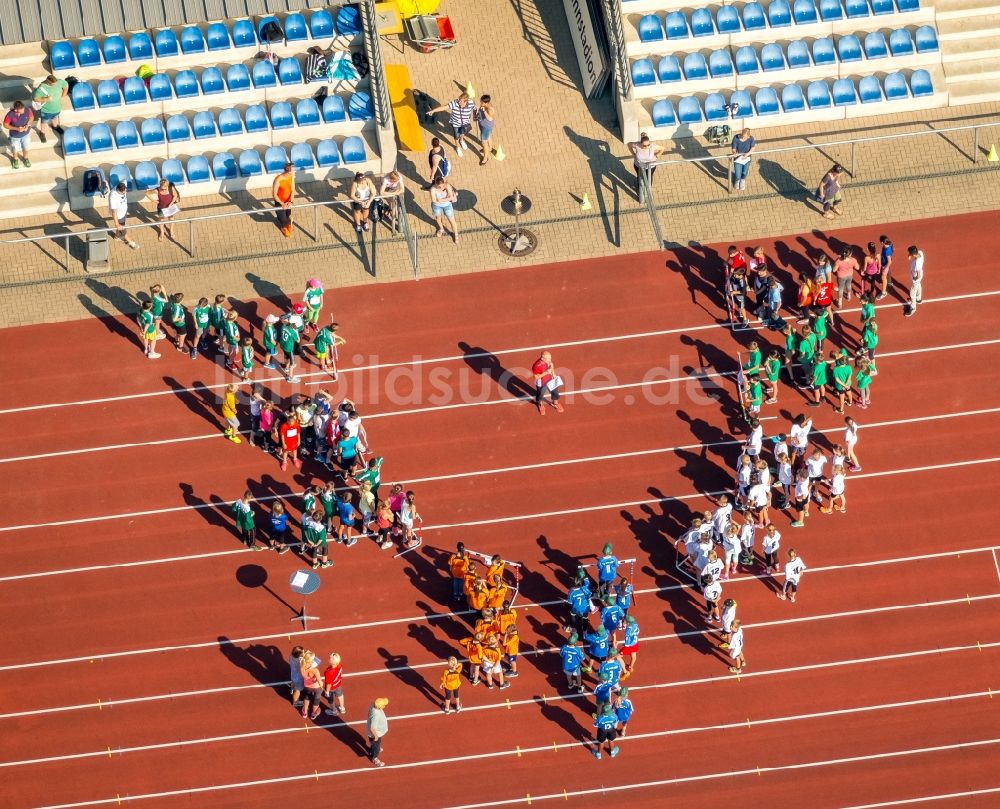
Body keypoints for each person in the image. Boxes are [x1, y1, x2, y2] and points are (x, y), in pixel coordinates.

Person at [31, 74, 68, 143]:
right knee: (44, 121)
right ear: (48, 82)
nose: (55, 85)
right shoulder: (41, 88)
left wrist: (64, 94)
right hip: (46, 110)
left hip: (57, 108)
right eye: (53, 84)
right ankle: (42, 133)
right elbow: (35, 99)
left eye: (55, 83)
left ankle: (55, 126)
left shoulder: (59, 82)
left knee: (55, 117)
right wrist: (46, 99)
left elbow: (65, 84)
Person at [628, 132, 663, 197]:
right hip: (638, 166)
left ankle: (648, 190)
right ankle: (639, 188)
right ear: (640, 143)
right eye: (644, 145)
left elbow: (662, 148)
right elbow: (629, 144)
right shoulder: (636, 145)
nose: (647, 147)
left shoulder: (652, 146)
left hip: (650, 167)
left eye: (648, 145)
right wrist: (633, 154)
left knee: (649, 178)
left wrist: (657, 156)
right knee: (640, 177)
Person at [146, 178, 179, 242]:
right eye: (162, 188)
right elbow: (147, 193)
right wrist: (153, 200)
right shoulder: (157, 190)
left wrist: (171, 203)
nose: (163, 190)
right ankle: (162, 232)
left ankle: (171, 230)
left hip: (170, 207)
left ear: (167, 186)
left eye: (165, 189)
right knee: (161, 220)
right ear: (160, 186)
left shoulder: (171, 188)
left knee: (171, 218)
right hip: (161, 208)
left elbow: (175, 195)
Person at [108, 182, 139, 249]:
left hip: (124, 212)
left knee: (122, 226)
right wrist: (117, 224)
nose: (125, 193)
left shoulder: (123, 183)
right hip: (119, 216)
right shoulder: (113, 197)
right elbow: (114, 211)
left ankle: (116, 236)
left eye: (126, 191)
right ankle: (131, 242)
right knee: (122, 229)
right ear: (118, 190)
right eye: (123, 192)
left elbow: (125, 180)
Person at [3, 100, 34, 168]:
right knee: (15, 149)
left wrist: (28, 125)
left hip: (26, 134)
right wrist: (17, 129)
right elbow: (5, 125)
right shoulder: (10, 114)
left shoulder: (27, 110)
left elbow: (31, 118)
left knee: (26, 147)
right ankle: (15, 159)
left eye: (23, 109)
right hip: (15, 136)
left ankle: (25, 158)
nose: (23, 111)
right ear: (16, 110)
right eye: (21, 110)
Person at [532, 349, 563, 414]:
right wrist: (546, 372)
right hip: (541, 382)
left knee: (555, 391)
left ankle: (555, 403)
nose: (550, 360)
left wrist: (554, 374)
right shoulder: (536, 366)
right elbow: (536, 377)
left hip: (550, 379)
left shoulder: (548, 360)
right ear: (542, 358)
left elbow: (551, 365)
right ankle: (540, 404)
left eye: (550, 358)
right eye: (548, 359)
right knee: (540, 394)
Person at [429, 175, 459, 242]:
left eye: (442, 185)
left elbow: (451, 197)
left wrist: (441, 200)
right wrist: (446, 198)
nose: (442, 187)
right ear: (436, 184)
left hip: (447, 205)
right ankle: (441, 229)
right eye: (439, 186)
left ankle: (456, 234)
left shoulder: (447, 185)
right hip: (437, 206)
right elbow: (433, 200)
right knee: (438, 218)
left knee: (452, 220)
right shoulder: (433, 189)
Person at [272, 162, 295, 238]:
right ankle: (283, 225)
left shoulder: (291, 176)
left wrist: (290, 202)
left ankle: (287, 222)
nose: (294, 171)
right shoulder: (278, 180)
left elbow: (292, 190)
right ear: (288, 171)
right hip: (280, 203)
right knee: (287, 231)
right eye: (293, 170)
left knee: (287, 215)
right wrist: (282, 204)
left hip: (288, 201)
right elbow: (274, 195)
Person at [300, 651, 323, 721]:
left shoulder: (301, 666)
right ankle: (313, 714)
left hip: (307, 686)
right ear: (311, 661)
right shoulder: (315, 670)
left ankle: (305, 712)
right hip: (316, 687)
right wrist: (321, 685)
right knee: (316, 700)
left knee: (307, 698)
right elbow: (320, 682)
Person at [367, 698, 390, 766]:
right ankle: (375, 758)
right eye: (384, 705)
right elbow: (373, 728)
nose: (385, 706)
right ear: (380, 707)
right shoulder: (376, 715)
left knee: (375, 744)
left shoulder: (373, 704)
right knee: (376, 745)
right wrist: (376, 736)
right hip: (376, 733)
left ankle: (372, 748)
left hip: (376, 732)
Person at [476, 94, 496, 164]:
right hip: (483, 125)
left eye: (482, 102)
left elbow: (490, 118)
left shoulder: (490, 109)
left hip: (486, 127)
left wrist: (484, 111)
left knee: (484, 142)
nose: (480, 103)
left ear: (486, 103)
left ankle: (485, 158)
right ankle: (490, 148)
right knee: (488, 136)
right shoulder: (485, 105)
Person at [905, 245, 924, 317]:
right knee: (919, 285)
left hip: (916, 277)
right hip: (921, 275)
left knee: (912, 293)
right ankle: (918, 299)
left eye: (910, 253)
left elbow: (918, 274)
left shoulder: (917, 263)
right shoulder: (920, 252)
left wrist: (914, 278)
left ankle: (913, 308)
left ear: (913, 254)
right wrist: (910, 255)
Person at [879, 235, 894, 299]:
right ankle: (889, 282)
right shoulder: (889, 244)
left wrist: (885, 268)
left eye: (881, 242)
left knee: (883, 277)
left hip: (885, 264)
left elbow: (889, 262)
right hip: (884, 262)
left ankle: (884, 292)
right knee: (888, 272)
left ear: (882, 242)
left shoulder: (887, 251)